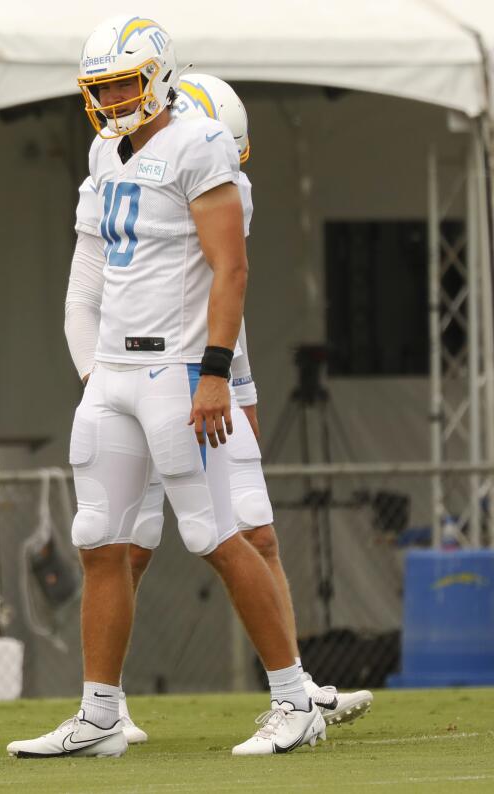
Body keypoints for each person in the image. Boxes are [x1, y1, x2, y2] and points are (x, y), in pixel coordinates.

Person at [6, 16, 325, 759]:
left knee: (218, 535)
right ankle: (101, 715)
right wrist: (97, 376)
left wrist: (213, 371)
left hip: (178, 369)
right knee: (100, 542)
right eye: (102, 87)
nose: (113, 99)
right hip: (115, 375)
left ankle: (292, 697)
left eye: (123, 83)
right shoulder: (103, 149)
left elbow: (231, 267)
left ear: (158, 77)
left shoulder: (199, 141)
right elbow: (85, 283)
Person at [116, 73, 373, 744]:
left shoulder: (219, 183)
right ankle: (104, 701)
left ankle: (294, 688)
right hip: (144, 375)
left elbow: (229, 295)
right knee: (128, 544)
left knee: (254, 532)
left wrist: (238, 385)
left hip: (206, 374)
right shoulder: (142, 175)